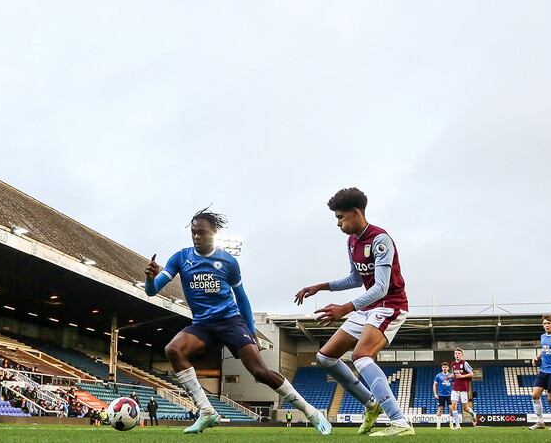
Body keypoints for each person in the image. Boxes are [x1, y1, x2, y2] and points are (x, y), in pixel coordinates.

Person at [145, 207, 331, 435]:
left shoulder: (228, 262)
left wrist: (251, 331)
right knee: (173, 350)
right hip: (203, 325)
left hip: (230, 322)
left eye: (201, 232)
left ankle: (312, 412)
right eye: (193, 232)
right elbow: (153, 291)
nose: (196, 237)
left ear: (213, 233)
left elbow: (241, 298)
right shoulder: (180, 258)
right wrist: (150, 279)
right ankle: (206, 412)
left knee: (259, 372)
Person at [294, 187, 413, 437]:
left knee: (361, 355)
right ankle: (371, 404)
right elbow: (356, 279)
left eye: (340, 217)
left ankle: (400, 423)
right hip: (369, 307)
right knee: (326, 357)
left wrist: (345, 308)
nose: (338, 223)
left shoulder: (381, 240)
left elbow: (381, 288)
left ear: (356, 213)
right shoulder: (351, 241)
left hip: (390, 304)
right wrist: (321, 287)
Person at [449, 349, 476, 429]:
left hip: (464, 388)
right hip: (455, 387)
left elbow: (471, 374)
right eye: (456, 353)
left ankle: (473, 414)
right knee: (454, 405)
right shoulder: (453, 364)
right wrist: (449, 377)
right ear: (454, 355)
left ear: (462, 355)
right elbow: (454, 374)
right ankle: (457, 425)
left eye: (459, 353)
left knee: (465, 408)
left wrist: (462, 376)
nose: (457, 355)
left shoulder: (464, 363)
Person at [433, 362, 453, 429]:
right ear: (442, 368)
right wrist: (435, 394)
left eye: (446, 367)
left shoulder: (451, 375)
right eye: (443, 367)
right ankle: (438, 425)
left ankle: (451, 424)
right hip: (441, 395)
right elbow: (435, 385)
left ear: (448, 368)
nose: (444, 368)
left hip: (449, 395)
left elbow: (455, 384)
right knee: (440, 409)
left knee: (451, 408)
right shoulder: (438, 376)